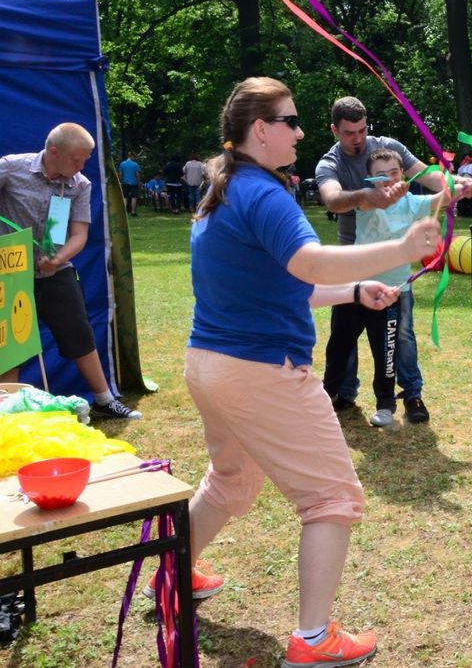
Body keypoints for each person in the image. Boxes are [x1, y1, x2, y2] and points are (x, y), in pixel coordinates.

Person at [172, 76, 440, 666]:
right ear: (260, 130)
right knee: (331, 500)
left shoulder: (223, 190)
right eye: (290, 121)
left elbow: (276, 284)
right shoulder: (262, 194)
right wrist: (401, 250)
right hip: (260, 372)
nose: (299, 131)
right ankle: (314, 640)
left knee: (230, 480)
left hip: (211, 366)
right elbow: (306, 260)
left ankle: (171, 582)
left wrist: (352, 291)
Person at [314, 96, 472, 420]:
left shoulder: (388, 147)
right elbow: (331, 199)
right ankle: (343, 393)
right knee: (344, 334)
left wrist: (459, 185)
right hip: (353, 261)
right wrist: (367, 196)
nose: (357, 139)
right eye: (348, 133)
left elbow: (429, 178)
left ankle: (411, 395)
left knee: (399, 334)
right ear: (335, 130)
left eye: (361, 130)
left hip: (395, 273)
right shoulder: (330, 163)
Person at [0, 124, 142, 419]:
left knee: (79, 333)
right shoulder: (11, 169)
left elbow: (79, 235)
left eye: (86, 160)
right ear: (54, 152)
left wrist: (57, 258)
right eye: (77, 160)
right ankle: (8, 414)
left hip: (56, 271)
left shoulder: (79, 185)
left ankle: (104, 399)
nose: (81, 167)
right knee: (11, 343)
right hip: (11, 273)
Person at [118, 152, 141, 216]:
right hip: (134, 183)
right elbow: (137, 174)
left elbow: (120, 174)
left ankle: (124, 212)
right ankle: (133, 212)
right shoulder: (135, 164)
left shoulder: (122, 164)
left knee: (125, 197)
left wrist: (120, 181)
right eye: (134, 157)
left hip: (125, 183)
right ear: (132, 156)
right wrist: (139, 182)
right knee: (134, 197)